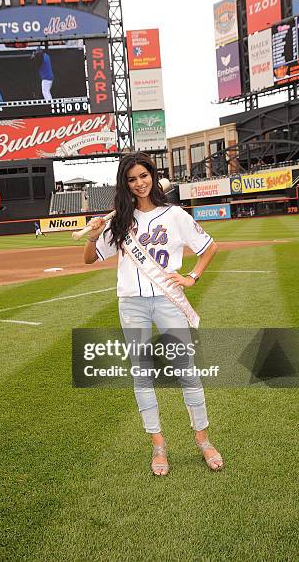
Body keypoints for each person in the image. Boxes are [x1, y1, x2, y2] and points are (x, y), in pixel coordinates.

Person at [84, 153, 223, 476]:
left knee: (186, 369)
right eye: (132, 179)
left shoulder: (174, 215)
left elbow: (209, 247)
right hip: (131, 303)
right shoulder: (119, 219)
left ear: (152, 175)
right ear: (125, 184)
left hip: (167, 300)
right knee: (142, 374)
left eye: (143, 176)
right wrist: (93, 236)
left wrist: (192, 277)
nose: (139, 183)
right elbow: (90, 259)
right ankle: (158, 444)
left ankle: (202, 439)